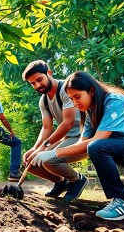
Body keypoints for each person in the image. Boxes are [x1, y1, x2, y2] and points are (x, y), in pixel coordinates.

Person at [31, 72, 124, 212]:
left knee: (97, 146)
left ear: (91, 91)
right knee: (95, 147)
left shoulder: (114, 100)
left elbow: (97, 141)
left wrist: (54, 152)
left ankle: (123, 202)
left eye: (77, 97)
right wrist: (50, 154)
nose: (75, 103)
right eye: (71, 99)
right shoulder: (91, 111)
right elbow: (82, 144)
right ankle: (120, 201)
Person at [21, 60, 88, 201]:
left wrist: (44, 147)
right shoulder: (43, 101)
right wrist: (35, 149)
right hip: (68, 139)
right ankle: (60, 182)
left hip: (84, 137)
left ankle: (77, 180)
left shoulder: (66, 89)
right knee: (30, 161)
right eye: (33, 83)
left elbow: (68, 123)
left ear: (49, 73)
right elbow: (46, 127)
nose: (37, 85)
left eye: (40, 80)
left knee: (49, 159)